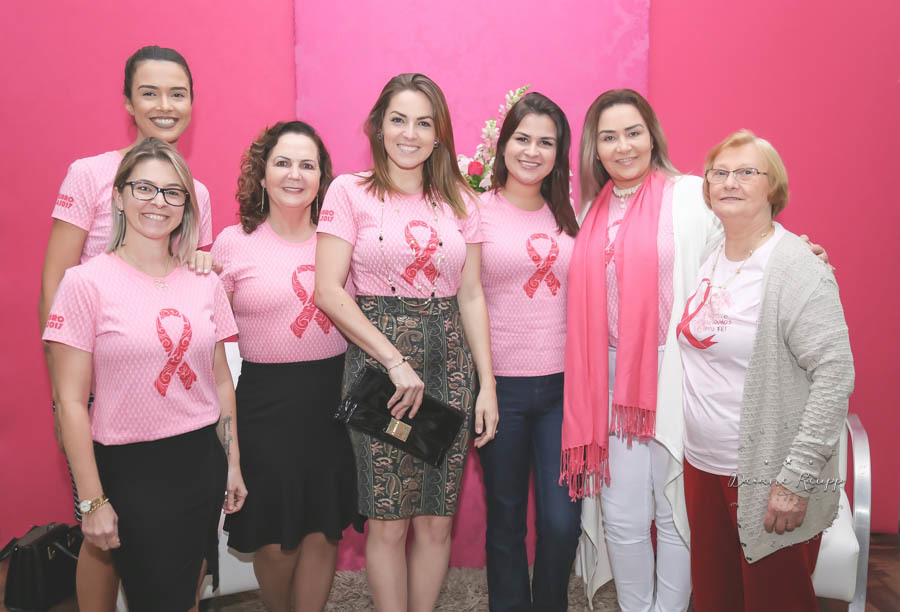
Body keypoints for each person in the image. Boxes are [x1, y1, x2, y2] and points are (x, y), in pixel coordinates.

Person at [561, 89, 828, 612]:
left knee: (673, 508)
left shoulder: (687, 195)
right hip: (605, 378)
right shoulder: (589, 209)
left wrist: (799, 255)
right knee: (621, 514)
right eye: (609, 137)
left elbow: (747, 236)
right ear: (595, 147)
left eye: (633, 133)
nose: (622, 146)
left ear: (652, 136)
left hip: (678, 370)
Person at [37, 45, 214, 610]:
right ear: (128, 103)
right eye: (149, 92)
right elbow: (55, 280)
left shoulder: (195, 192)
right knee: (105, 536)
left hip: (172, 400)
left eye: (177, 93)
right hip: (100, 386)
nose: (165, 105)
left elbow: (193, 282)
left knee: (179, 546)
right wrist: (66, 395)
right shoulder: (90, 174)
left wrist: (205, 261)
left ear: (192, 103)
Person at [314, 73, 498, 612]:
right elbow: (328, 290)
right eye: (398, 120)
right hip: (380, 373)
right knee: (389, 520)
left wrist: (487, 384)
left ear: (439, 135)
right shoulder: (349, 191)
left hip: (449, 367)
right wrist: (393, 360)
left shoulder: (462, 201)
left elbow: (471, 295)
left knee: (437, 519)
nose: (409, 134)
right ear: (378, 127)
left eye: (423, 123)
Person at [678, 130, 853, 611]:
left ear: (773, 187)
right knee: (716, 598)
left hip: (766, 474)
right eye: (719, 172)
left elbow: (835, 375)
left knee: (775, 601)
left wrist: (796, 479)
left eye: (746, 172)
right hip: (703, 464)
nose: (729, 182)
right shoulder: (711, 255)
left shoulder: (796, 267)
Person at [212, 121, 358, 612]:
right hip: (265, 405)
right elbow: (203, 329)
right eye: (283, 163)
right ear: (262, 174)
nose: (295, 174)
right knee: (274, 540)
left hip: (333, 398)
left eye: (307, 165)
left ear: (321, 178)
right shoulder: (232, 244)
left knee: (323, 526)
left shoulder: (340, 240)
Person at [476, 92, 580, 612]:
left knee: (562, 522)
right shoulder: (475, 212)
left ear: (559, 153)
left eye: (546, 142)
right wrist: (485, 386)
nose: (532, 151)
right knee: (506, 519)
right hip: (501, 390)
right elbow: (464, 297)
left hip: (565, 390)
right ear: (503, 143)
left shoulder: (571, 216)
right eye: (522, 138)